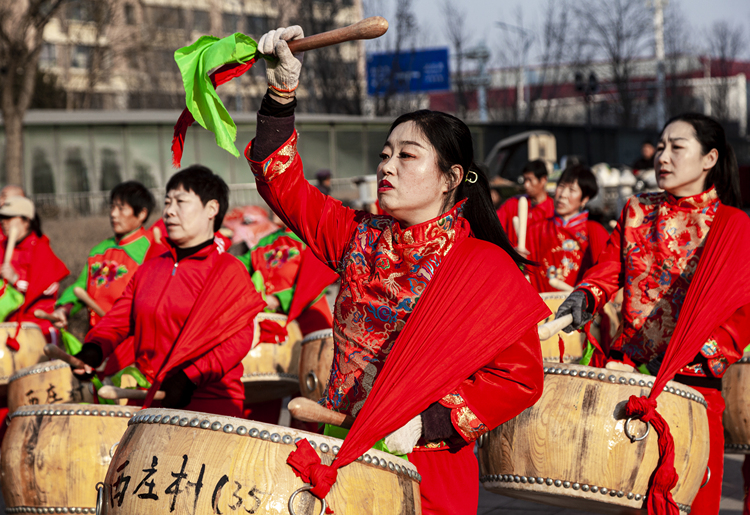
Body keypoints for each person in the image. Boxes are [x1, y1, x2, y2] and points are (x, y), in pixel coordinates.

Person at [245, 26, 549, 515]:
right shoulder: (358, 236)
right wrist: (281, 93)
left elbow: (519, 379)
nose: (387, 165)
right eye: (385, 154)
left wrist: (428, 423)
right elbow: (282, 183)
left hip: (427, 464)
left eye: (407, 156)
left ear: (450, 178)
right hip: (338, 450)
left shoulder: (482, 266)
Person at [557, 113, 750, 514]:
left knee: (694, 501)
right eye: (661, 146)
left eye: (677, 147)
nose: (663, 156)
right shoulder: (637, 211)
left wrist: (702, 351)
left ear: (709, 158)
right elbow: (609, 269)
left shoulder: (731, 225)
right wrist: (585, 295)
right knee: (623, 494)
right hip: (632, 377)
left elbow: (743, 310)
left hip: (694, 382)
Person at [74, 166, 265, 416]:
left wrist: (190, 377)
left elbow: (237, 339)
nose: (169, 211)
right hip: (152, 398)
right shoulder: (150, 267)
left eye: (180, 202)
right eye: (167, 202)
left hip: (209, 404)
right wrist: (95, 348)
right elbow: (119, 320)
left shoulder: (228, 270)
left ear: (211, 209)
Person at [52, 181, 156, 329]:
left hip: (131, 339)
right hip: (97, 335)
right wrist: (64, 309)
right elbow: (82, 286)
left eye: (121, 209)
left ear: (141, 214)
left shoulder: (151, 250)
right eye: (112, 207)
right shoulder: (99, 250)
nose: (113, 214)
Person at [521, 164, 609, 293]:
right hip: (545, 308)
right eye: (561, 187)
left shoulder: (594, 231)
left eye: (572, 190)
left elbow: (605, 273)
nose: (562, 194)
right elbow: (528, 273)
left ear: (584, 199)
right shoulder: (537, 230)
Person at [0, 196, 69, 343]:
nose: (4, 222)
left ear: (26, 221)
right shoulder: (3, 247)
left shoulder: (40, 248)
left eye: (10, 217)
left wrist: (16, 280)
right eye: (2, 217)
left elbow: (49, 287)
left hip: (37, 328)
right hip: (7, 327)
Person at [496, 159, 554, 247]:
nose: (526, 185)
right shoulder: (512, 204)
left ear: (543, 180)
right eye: (525, 180)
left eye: (530, 180)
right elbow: (494, 226)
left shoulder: (553, 209)